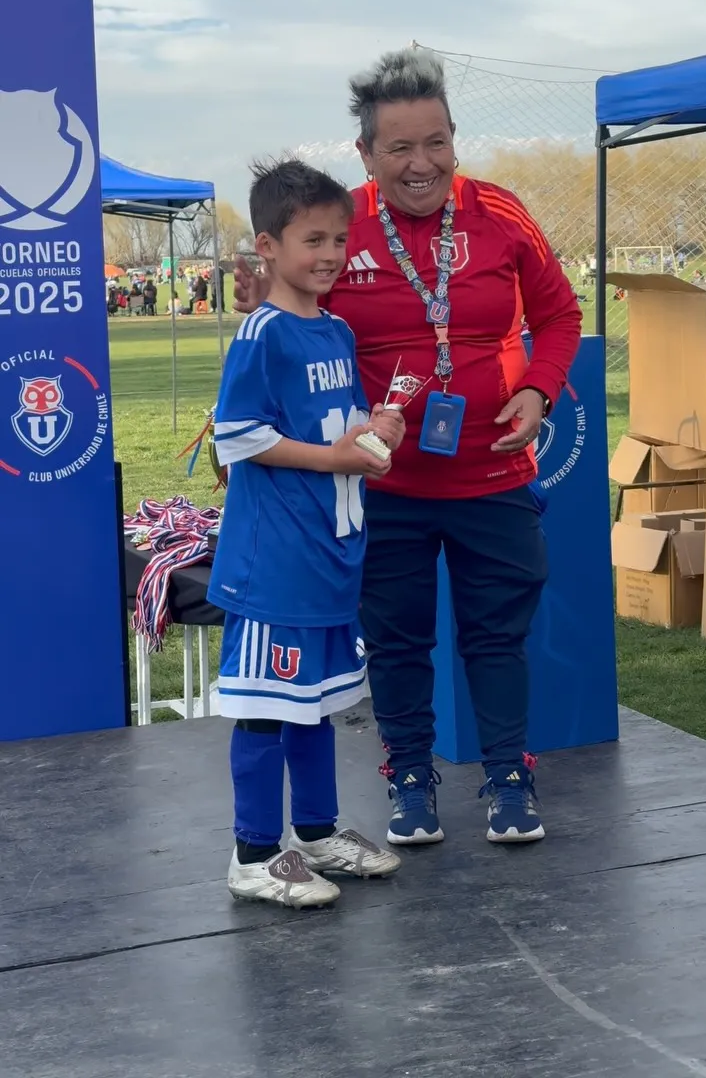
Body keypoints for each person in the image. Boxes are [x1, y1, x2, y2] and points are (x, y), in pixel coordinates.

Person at [233, 49, 582, 849]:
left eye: (436, 142)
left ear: (454, 140)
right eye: (400, 148)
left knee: (497, 637)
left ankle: (509, 778)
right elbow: (290, 321)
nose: (421, 163)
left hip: (493, 474)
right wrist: (258, 299)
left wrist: (538, 390)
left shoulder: (501, 212)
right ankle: (411, 779)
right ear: (366, 154)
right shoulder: (339, 228)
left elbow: (560, 314)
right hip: (382, 486)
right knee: (396, 641)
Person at [209, 158, 406, 909]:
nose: (329, 255)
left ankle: (317, 833)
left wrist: (377, 431)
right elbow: (239, 436)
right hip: (276, 563)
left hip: (330, 554)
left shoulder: (336, 330)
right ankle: (255, 854)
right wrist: (335, 458)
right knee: (266, 706)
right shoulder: (262, 333)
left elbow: (342, 427)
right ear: (268, 246)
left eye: (339, 240)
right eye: (312, 240)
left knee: (316, 702)